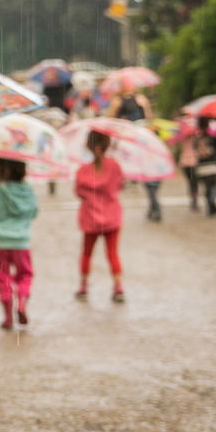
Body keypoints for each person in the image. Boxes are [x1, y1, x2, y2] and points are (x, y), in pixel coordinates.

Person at [0, 157, 38, 330]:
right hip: (21, 244)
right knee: (25, 274)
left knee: (2, 278)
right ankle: (21, 301)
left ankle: (7, 316)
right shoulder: (27, 190)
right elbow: (34, 211)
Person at [74, 129, 125, 303]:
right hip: (112, 217)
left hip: (90, 218)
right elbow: (119, 186)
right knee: (112, 253)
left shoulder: (83, 170)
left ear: (89, 146)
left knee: (87, 253)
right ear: (107, 144)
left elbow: (78, 192)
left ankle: (83, 286)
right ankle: (118, 287)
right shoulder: (114, 166)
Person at [108, 88, 161, 221]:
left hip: (127, 137)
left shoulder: (118, 101)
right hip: (141, 138)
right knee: (150, 175)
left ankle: (153, 202)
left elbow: (111, 119)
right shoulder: (141, 100)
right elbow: (149, 118)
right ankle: (154, 202)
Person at [192, 117, 216, 216]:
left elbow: (195, 152)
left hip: (201, 166)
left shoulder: (196, 138)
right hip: (212, 164)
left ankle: (210, 204)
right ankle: (212, 202)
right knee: (214, 186)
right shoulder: (212, 137)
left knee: (206, 187)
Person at [175, 112, 200, 212]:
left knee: (191, 183)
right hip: (193, 161)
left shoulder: (183, 133)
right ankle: (194, 200)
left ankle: (194, 201)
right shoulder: (192, 135)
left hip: (185, 161)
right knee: (193, 183)